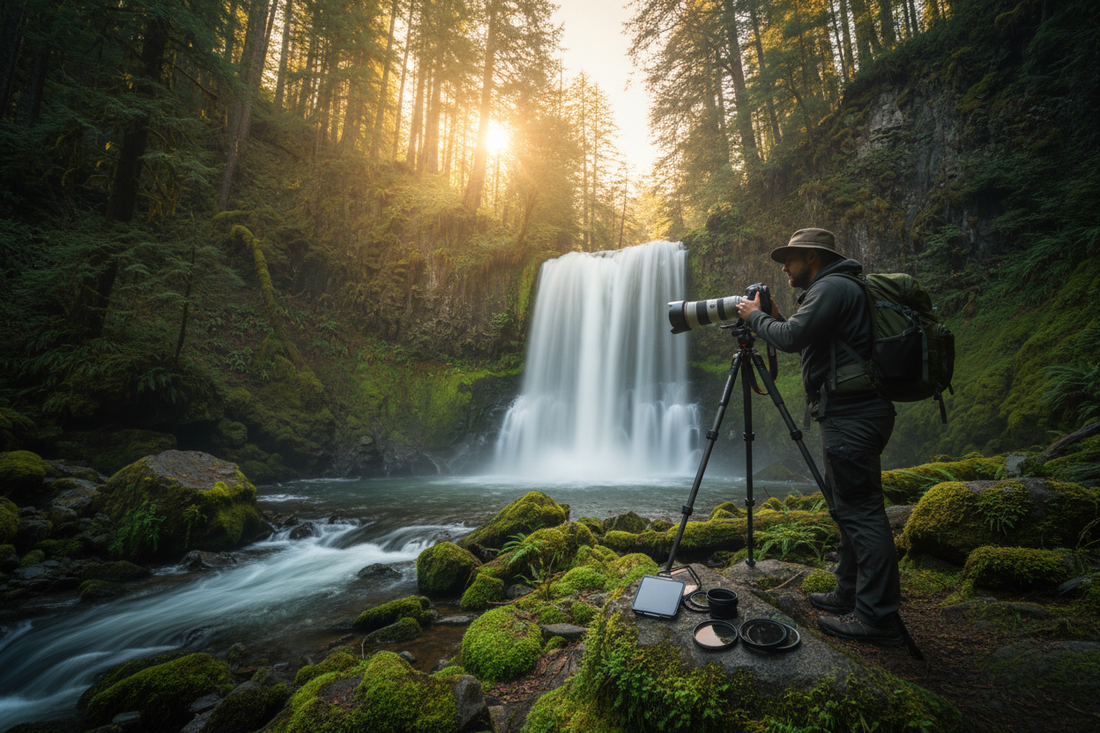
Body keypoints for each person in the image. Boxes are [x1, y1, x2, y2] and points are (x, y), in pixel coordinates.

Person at [735, 227, 903, 645]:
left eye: (789, 260)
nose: (785, 269)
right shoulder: (843, 287)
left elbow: (791, 338)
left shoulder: (831, 288)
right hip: (856, 411)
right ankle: (848, 593)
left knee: (862, 512)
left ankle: (876, 618)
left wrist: (754, 319)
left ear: (811, 257)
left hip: (853, 415)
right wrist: (770, 318)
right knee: (849, 508)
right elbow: (803, 333)